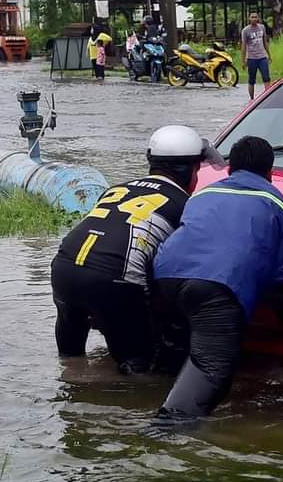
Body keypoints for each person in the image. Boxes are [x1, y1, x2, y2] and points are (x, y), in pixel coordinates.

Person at [50, 125, 224, 374]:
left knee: (70, 361)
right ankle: (132, 410)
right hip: (114, 277)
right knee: (139, 368)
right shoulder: (186, 205)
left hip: (64, 267)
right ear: (187, 170)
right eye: (197, 170)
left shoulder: (116, 189)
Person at [152, 136, 283, 418]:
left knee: (183, 347)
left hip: (165, 274)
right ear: (270, 172)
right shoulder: (278, 204)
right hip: (217, 285)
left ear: (230, 169)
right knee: (212, 369)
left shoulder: (203, 193)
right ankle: (167, 430)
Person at [241, 12, 271, 99]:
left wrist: (269, 54)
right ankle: (252, 99)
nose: (254, 19)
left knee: (266, 77)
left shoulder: (262, 27)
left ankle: (268, 97)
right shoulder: (245, 31)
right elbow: (243, 47)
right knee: (251, 80)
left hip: (262, 57)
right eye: (252, 17)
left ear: (258, 18)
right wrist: (243, 61)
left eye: (255, 17)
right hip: (252, 58)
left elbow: (265, 42)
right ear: (249, 19)